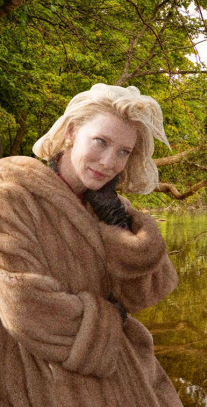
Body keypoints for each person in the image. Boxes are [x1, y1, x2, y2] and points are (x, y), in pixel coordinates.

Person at [0, 84, 182, 406]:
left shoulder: (107, 205)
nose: (110, 162)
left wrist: (119, 224)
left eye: (124, 151)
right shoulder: (12, 196)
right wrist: (111, 323)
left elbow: (147, 293)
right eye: (100, 142)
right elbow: (23, 304)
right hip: (46, 381)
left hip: (126, 375)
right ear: (71, 132)